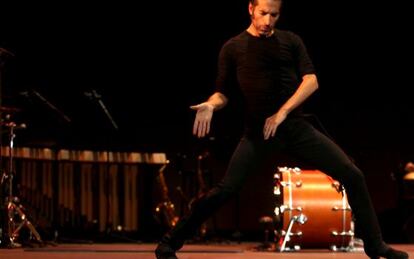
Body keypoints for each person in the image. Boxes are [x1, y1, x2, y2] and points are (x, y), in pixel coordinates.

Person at [155, 0, 409, 258]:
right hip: (258, 134)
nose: (267, 20)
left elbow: (311, 81)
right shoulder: (233, 48)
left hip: (296, 128)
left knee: (352, 174)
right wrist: (211, 104)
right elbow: (223, 93)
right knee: (226, 189)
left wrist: (282, 113)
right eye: (263, 13)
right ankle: (170, 242)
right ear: (250, 9)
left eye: (274, 15)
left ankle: (375, 245)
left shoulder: (290, 41)